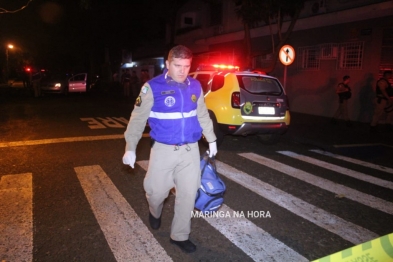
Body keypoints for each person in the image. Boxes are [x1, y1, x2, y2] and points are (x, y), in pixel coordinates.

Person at [122, 45, 217, 253]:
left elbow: (202, 114)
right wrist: (130, 147)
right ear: (167, 64)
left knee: (188, 194)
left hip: (190, 150)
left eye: (186, 66)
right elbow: (137, 119)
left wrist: (211, 139)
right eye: (177, 65)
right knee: (155, 191)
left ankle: (180, 235)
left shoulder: (195, 86)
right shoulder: (151, 87)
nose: (182, 71)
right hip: (163, 149)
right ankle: (155, 211)